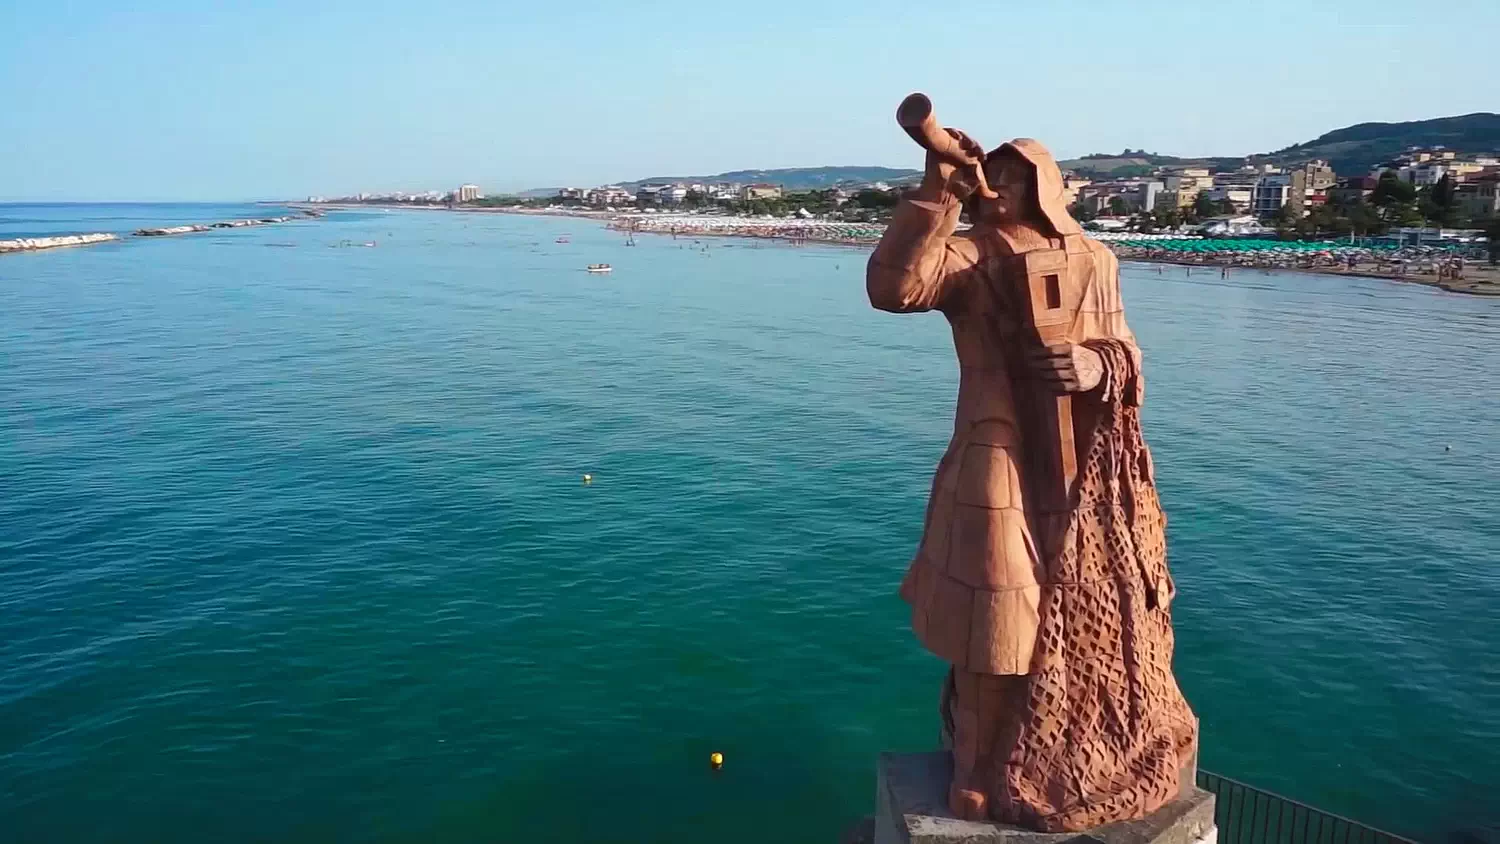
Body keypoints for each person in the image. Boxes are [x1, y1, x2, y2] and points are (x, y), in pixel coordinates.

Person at [867, 132, 1197, 832]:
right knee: (996, 611)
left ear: (1043, 188)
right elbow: (891, 289)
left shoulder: (1094, 258)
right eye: (993, 181)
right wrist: (937, 192)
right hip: (997, 448)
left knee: (1079, 608)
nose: (998, 192)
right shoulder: (972, 254)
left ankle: (1039, 752)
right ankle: (977, 764)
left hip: (1087, 475)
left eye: (1012, 183)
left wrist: (1097, 367)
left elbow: (1127, 349)